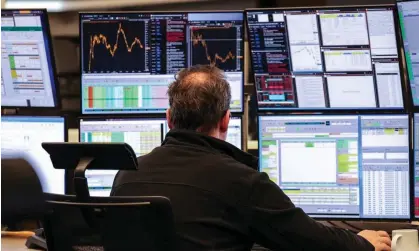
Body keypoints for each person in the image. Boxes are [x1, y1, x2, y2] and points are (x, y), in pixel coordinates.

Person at [112, 65, 391, 251]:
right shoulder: (239, 179)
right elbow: (307, 238)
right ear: (225, 120)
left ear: (169, 119)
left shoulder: (126, 173)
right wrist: (362, 243)